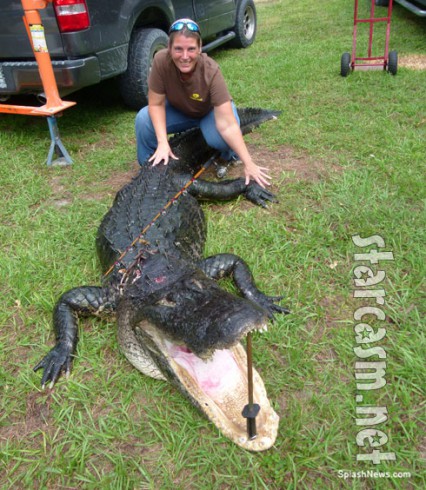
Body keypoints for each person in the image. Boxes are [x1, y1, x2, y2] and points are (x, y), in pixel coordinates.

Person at [135, 18, 271, 188]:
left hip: (209, 112)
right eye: (178, 49)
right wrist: (163, 142)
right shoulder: (161, 61)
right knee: (143, 119)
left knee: (219, 139)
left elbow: (227, 125)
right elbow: (155, 104)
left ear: (199, 48)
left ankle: (227, 156)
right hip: (180, 110)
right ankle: (150, 171)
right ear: (169, 48)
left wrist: (249, 163)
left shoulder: (211, 71)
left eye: (191, 49)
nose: (185, 56)